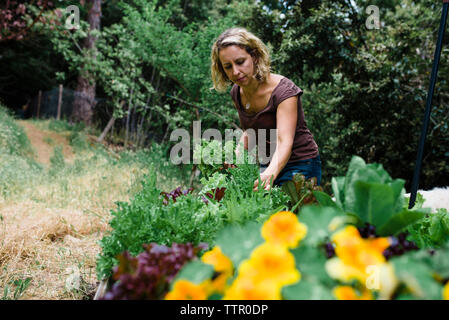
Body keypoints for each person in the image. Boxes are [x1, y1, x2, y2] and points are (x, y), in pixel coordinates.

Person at [210, 27, 321, 191]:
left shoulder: (284, 92)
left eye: (240, 62)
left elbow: (284, 142)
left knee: (290, 215)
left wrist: (269, 173)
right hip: (268, 163)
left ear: (254, 56)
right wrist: (237, 156)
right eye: (227, 66)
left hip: (300, 163)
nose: (235, 72)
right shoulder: (237, 91)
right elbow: (249, 131)